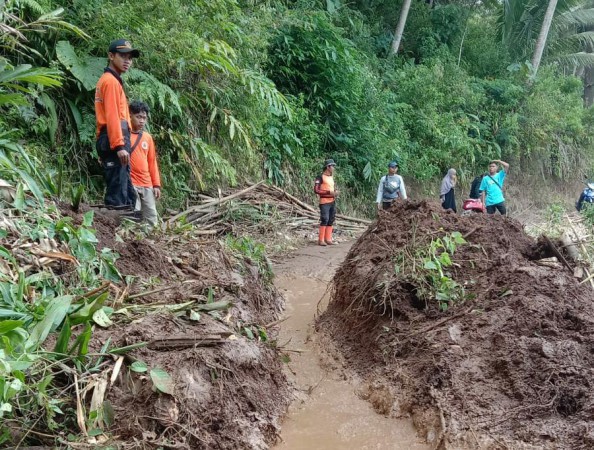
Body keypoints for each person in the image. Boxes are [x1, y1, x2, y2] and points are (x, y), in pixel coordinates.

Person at [95, 39, 140, 209]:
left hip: (112, 138)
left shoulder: (112, 80)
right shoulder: (111, 82)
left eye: (130, 57)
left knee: (125, 189)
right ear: (111, 56)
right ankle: (113, 230)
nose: (127, 60)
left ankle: (125, 229)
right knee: (117, 191)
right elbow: (113, 116)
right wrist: (119, 145)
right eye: (122, 56)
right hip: (115, 139)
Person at [129, 101, 161, 226]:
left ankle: (151, 242)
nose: (142, 121)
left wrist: (156, 185)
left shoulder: (147, 137)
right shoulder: (124, 135)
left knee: (151, 217)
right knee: (134, 216)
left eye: (144, 118)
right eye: (138, 117)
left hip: (147, 183)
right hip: (131, 183)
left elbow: (152, 162)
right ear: (130, 115)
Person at [314, 159, 339, 246]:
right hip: (324, 201)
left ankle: (328, 239)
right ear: (328, 167)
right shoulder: (320, 177)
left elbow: (331, 188)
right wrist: (329, 192)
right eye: (332, 166)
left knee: (331, 219)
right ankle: (321, 240)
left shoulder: (331, 177)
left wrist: (335, 192)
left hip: (332, 201)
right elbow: (316, 190)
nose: (334, 168)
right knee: (325, 219)